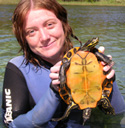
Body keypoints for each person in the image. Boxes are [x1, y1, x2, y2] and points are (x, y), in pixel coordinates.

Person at [2, 0, 125, 128]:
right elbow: (12, 125)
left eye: (50, 24)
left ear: (64, 24)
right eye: (31, 31)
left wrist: (108, 79)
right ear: (23, 38)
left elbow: (118, 116)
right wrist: (54, 91)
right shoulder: (18, 68)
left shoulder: (91, 57)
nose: (44, 37)